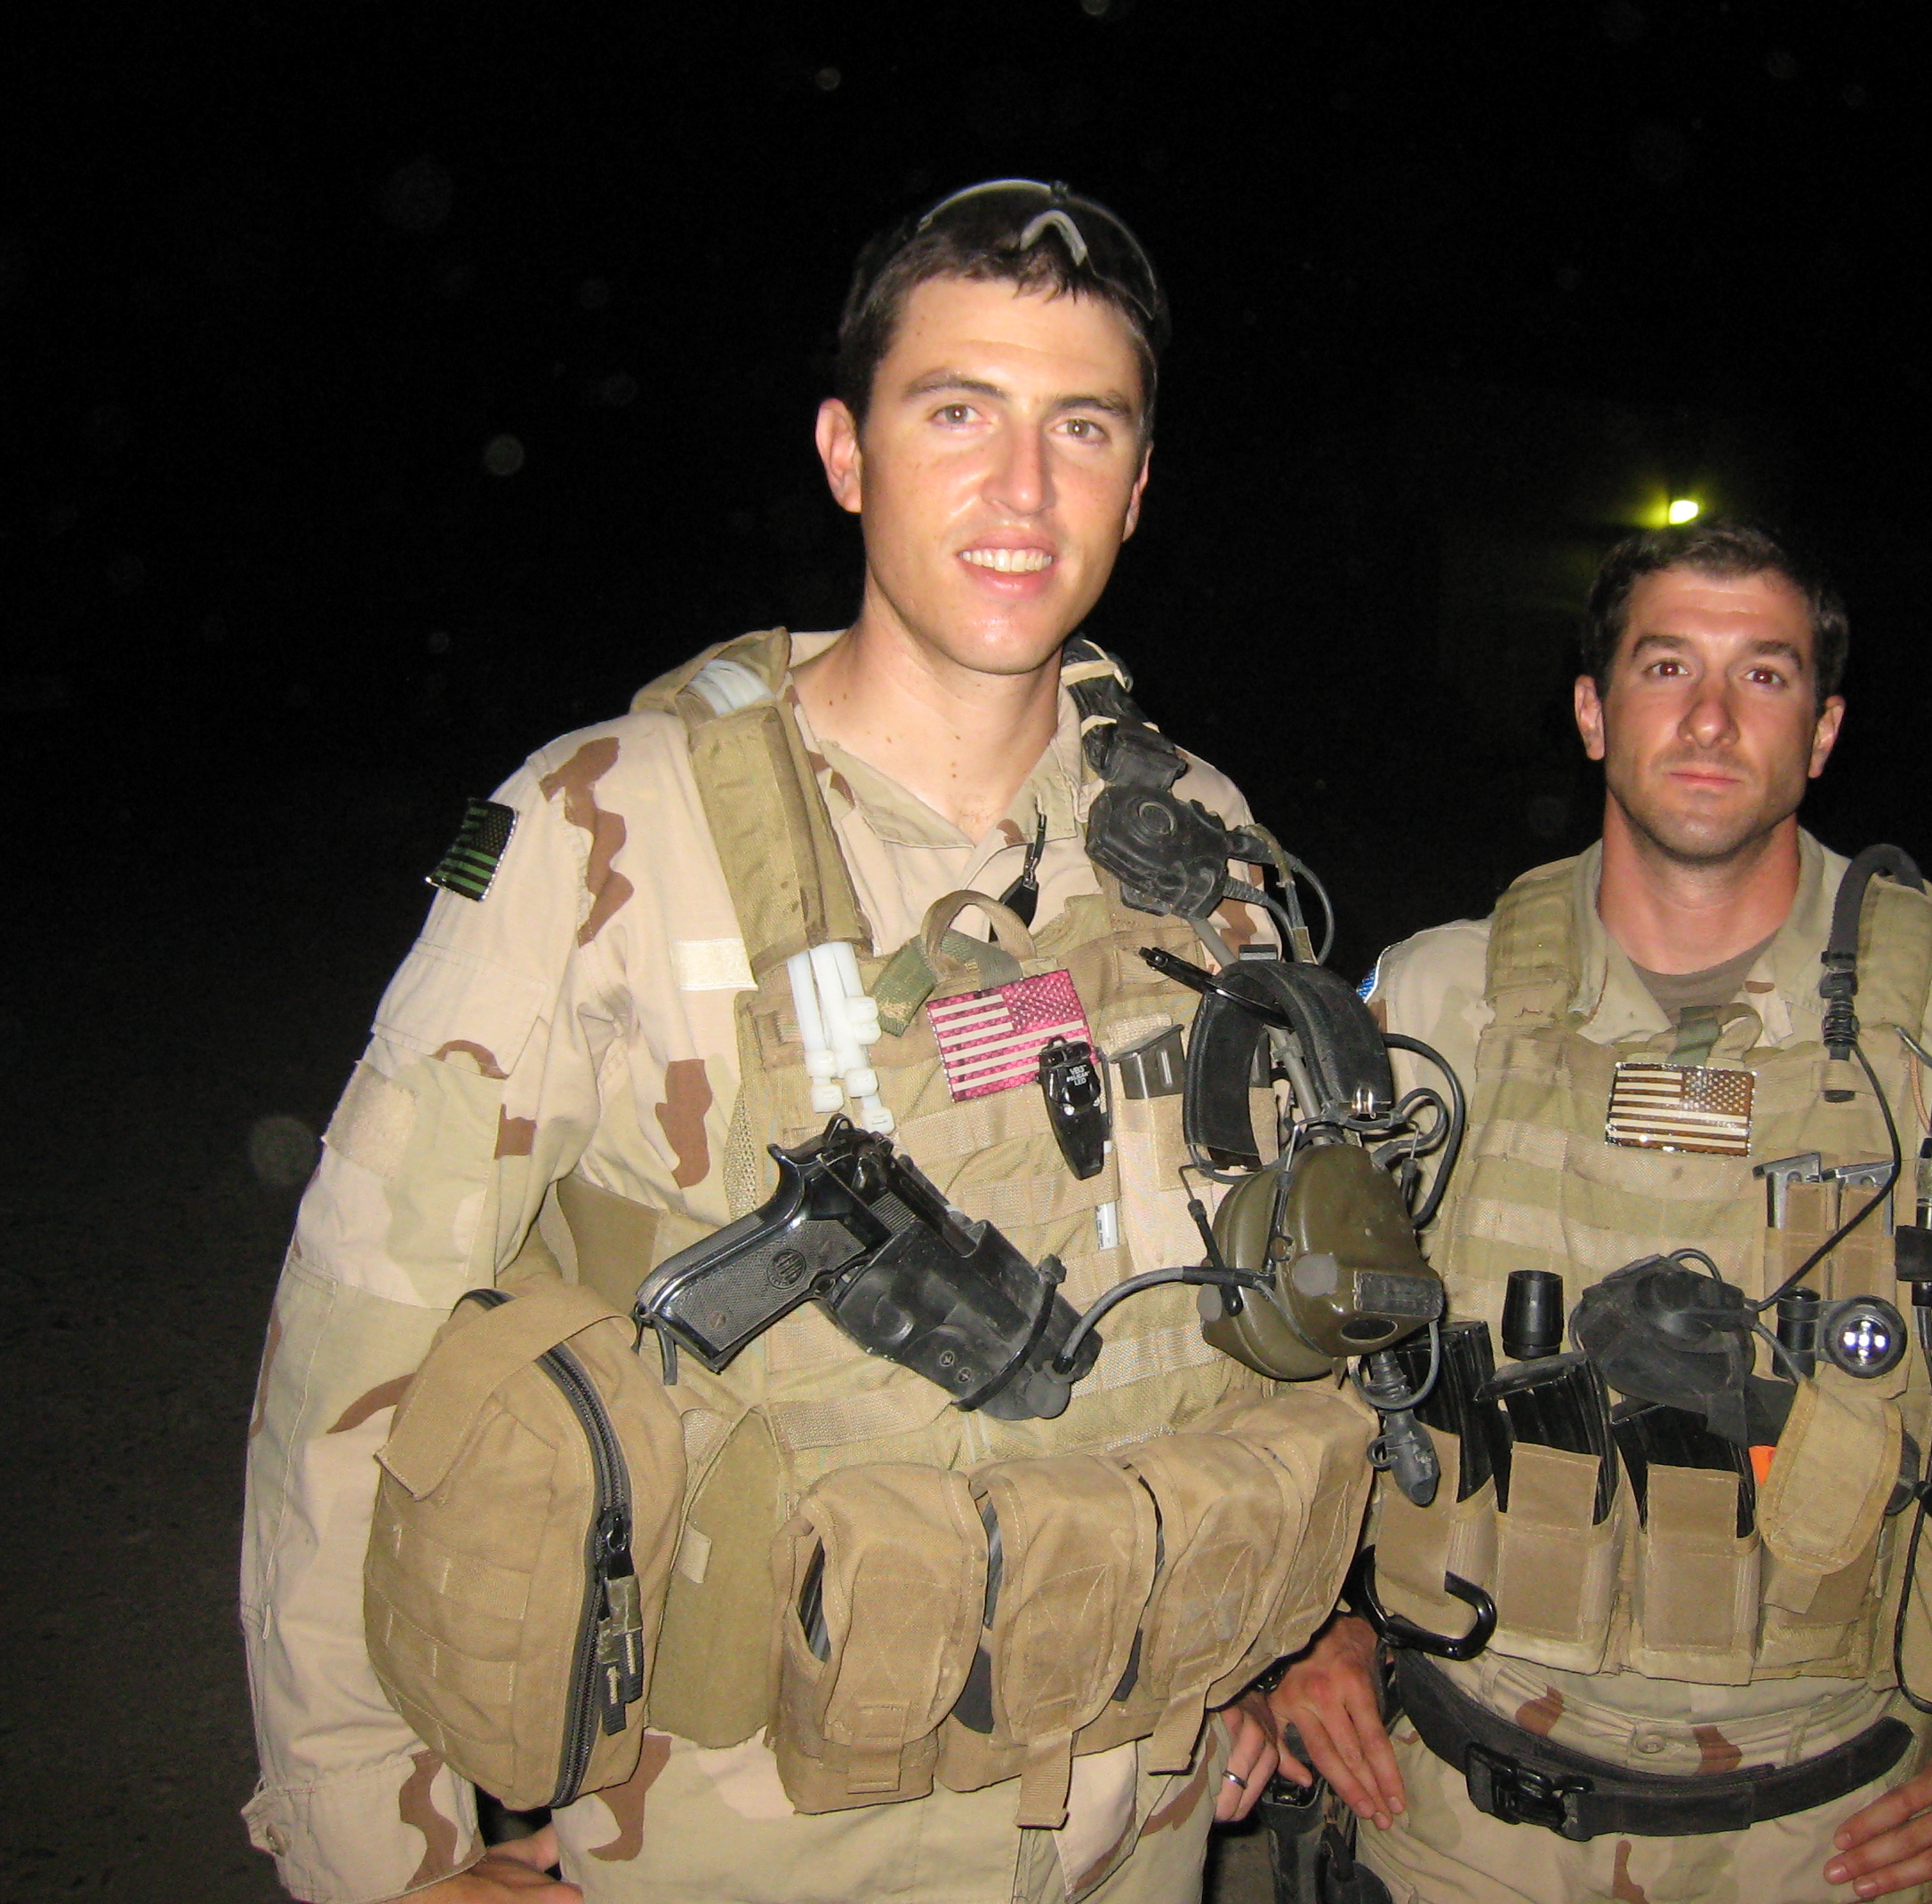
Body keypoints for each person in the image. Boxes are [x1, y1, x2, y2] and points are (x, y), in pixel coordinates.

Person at [241, 180, 1359, 1904]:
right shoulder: (607, 827)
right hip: (736, 1842)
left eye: (1080, 428)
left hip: (1132, 1831)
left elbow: (1265, 1298)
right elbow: (350, 1358)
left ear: (1137, 489)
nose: (1018, 490)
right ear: (845, 452)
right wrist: (384, 1855)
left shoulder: (1198, 842)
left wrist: (1280, 1632)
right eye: (955, 412)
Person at [1267, 521, 1932, 1904]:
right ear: (1588, 709)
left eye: (1765, 676)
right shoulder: (1432, 1008)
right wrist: (1295, 1627)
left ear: (1823, 730)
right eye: (1664, 663)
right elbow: (1273, 1355)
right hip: (1446, 1814)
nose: (1705, 716)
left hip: (1836, 1834)